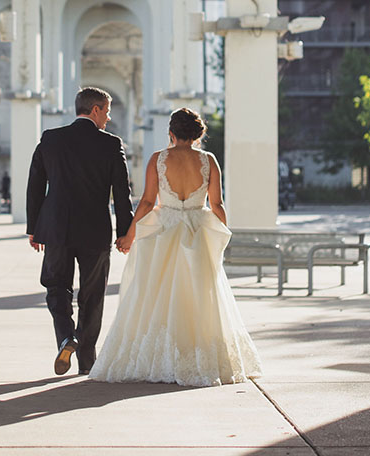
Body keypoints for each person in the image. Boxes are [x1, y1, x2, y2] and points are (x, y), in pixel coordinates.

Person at [90, 108, 261, 387]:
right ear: (198, 134)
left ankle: (157, 356)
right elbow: (217, 205)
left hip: (163, 232)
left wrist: (129, 236)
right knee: (200, 295)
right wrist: (221, 238)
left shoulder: (159, 159)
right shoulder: (209, 160)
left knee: (154, 293)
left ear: (171, 132)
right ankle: (199, 355)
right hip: (198, 231)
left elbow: (146, 202)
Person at [26, 87, 133, 376]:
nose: (109, 118)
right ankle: (86, 359)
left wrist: (34, 228)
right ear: (95, 109)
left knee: (56, 287)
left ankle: (65, 337)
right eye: (107, 111)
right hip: (95, 231)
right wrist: (125, 231)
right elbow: (122, 193)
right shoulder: (111, 144)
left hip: (56, 228)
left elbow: (35, 185)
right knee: (93, 293)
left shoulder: (51, 138)